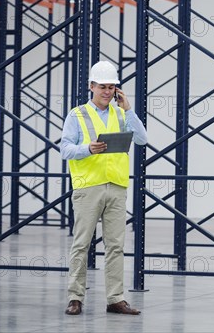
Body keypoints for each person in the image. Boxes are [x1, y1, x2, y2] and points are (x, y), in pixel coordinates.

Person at [60, 60, 147, 316]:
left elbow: (142, 139)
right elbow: (65, 149)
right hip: (89, 187)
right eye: (103, 87)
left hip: (117, 186)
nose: (107, 92)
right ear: (92, 86)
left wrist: (129, 110)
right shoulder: (77, 115)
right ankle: (75, 297)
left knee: (115, 246)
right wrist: (87, 149)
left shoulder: (121, 114)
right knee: (82, 244)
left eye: (112, 87)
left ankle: (115, 299)